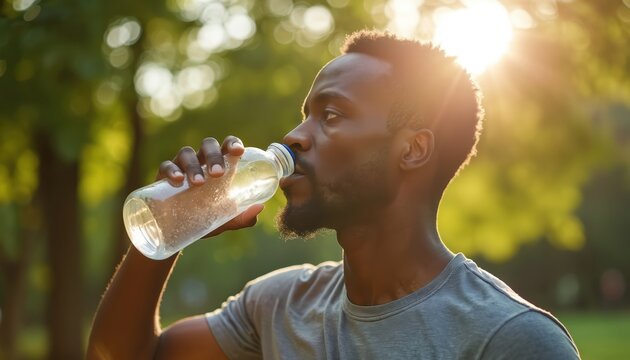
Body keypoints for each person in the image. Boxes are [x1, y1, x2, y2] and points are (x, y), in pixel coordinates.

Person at [88, 30, 580, 359]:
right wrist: (167, 228)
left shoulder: (511, 338)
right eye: (304, 115)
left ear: (412, 150)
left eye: (331, 116)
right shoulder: (280, 305)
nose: (294, 136)